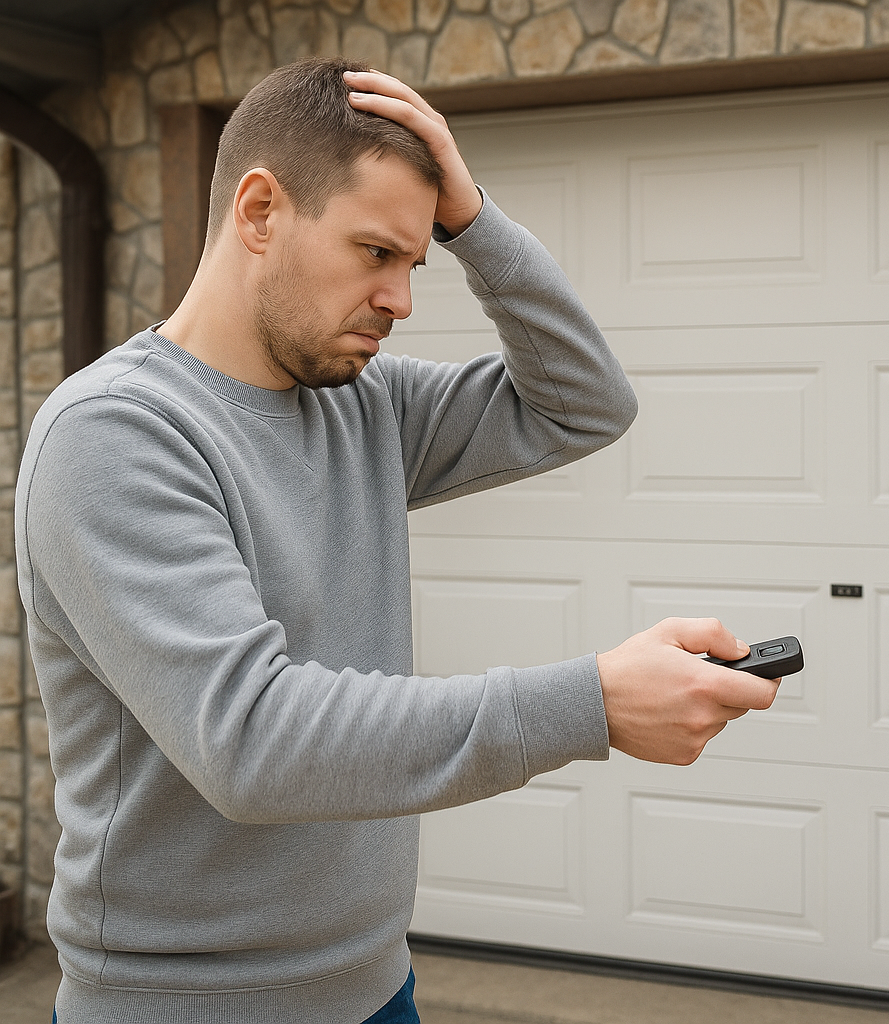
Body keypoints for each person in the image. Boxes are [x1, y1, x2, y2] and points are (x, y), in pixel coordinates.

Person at [15, 56, 779, 1024]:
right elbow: (251, 742)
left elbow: (584, 403)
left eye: (416, 261)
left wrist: (475, 223)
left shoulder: (365, 407)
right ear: (259, 211)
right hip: (189, 1004)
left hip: (373, 982)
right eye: (375, 251)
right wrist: (591, 702)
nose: (402, 299)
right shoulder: (116, 434)